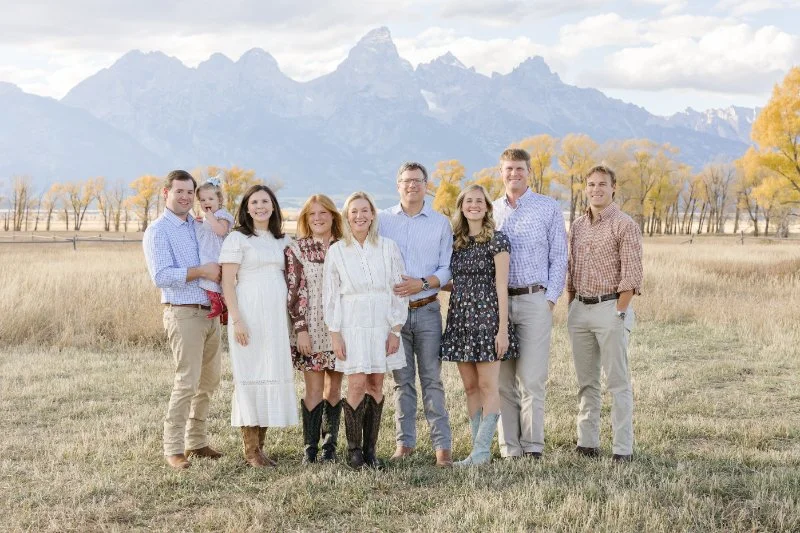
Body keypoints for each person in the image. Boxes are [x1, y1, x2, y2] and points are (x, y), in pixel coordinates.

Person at [142, 169, 223, 470]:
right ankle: (173, 448)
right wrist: (202, 271)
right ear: (166, 193)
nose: (186, 197)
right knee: (187, 381)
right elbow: (161, 276)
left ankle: (197, 441)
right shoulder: (158, 231)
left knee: (209, 381)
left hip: (210, 312)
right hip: (183, 312)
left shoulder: (198, 225)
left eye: (190, 192)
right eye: (180, 191)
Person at [323, 191, 408, 470]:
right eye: (354, 211)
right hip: (352, 323)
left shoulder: (388, 247)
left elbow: (399, 289)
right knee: (356, 383)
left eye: (364, 210)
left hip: (382, 323)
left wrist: (395, 329)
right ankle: (354, 451)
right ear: (347, 217)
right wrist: (335, 332)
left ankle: (371, 451)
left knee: (376, 384)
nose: (359, 216)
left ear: (372, 215)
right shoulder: (337, 251)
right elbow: (330, 296)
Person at [493, 148, 568, 459]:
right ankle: (510, 447)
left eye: (519, 168)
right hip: (499, 305)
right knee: (502, 382)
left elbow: (559, 257)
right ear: (501, 172)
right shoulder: (492, 211)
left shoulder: (547, 207)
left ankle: (533, 446)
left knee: (532, 379)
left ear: (528, 172)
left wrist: (549, 300)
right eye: (509, 168)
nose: (514, 174)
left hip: (535, 299)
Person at [379, 161, 454, 467]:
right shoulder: (382, 220)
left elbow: (446, 268)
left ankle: (442, 448)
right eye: (407, 180)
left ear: (426, 186)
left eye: (418, 180)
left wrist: (421, 283)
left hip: (427, 310)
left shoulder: (440, 223)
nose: (412, 185)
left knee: (432, 380)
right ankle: (404, 443)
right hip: (393, 315)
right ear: (398, 185)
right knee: (402, 381)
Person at [566, 164, 643, 462]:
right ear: (585, 188)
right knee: (586, 382)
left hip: (610, 308)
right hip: (580, 309)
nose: (596, 189)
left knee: (617, 382)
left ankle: (622, 448)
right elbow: (571, 270)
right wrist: (571, 305)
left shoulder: (624, 224)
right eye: (591, 184)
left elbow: (632, 276)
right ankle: (587, 442)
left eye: (602, 184)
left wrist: (619, 313)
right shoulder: (578, 226)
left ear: (613, 188)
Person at [219, 185, 298, 468]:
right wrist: (237, 319)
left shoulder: (282, 240)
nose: (260, 206)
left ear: (273, 206)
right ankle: (250, 450)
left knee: (270, 372)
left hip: (275, 319)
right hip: (248, 315)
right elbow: (228, 283)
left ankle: (260, 448)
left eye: (265, 201)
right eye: (254, 202)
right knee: (250, 373)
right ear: (246, 208)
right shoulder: (237, 238)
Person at [440, 184, 520, 466]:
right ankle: (477, 452)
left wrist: (502, 330)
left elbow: (501, 287)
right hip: (460, 319)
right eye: (468, 201)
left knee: (488, 385)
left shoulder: (498, 240)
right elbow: (452, 280)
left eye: (479, 201)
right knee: (470, 387)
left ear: (487, 207)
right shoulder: (455, 242)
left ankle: (483, 450)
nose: (474, 205)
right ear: (461, 207)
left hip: (487, 320)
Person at [285, 194, 345, 463]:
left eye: (323, 213)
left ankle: (330, 445)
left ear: (333, 215)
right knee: (313, 389)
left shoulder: (345, 246)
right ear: (306, 219)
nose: (318, 218)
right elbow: (294, 292)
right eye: (312, 214)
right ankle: (310, 447)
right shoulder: (297, 249)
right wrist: (301, 330)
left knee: (334, 389)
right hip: (311, 328)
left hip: (341, 328)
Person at [195, 176, 235, 322]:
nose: (206, 202)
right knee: (208, 278)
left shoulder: (222, 215)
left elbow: (221, 231)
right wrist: (202, 222)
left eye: (210, 199)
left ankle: (221, 305)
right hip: (207, 251)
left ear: (219, 200)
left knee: (221, 280)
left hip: (217, 252)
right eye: (202, 200)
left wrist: (211, 219)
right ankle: (220, 306)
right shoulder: (208, 217)